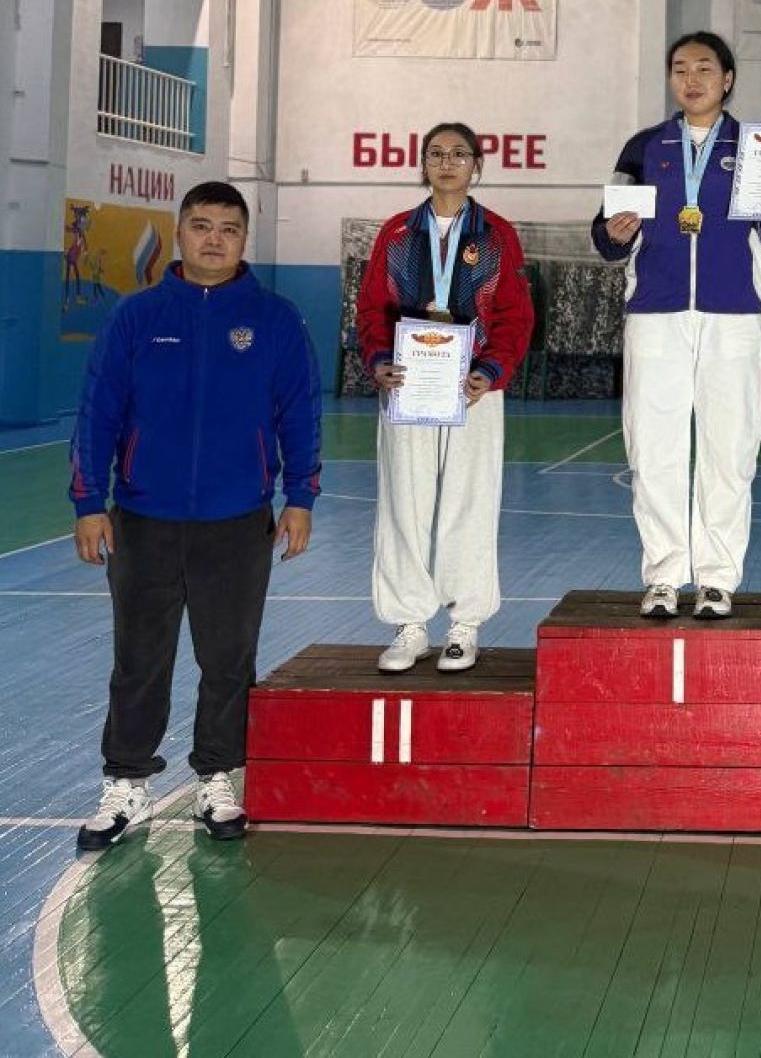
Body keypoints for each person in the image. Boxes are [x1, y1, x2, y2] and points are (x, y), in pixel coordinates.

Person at [69, 181, 322, 848]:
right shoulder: (135, 316)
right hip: (142, 518)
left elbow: (300, 412)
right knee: (138, 659)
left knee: (229, 658)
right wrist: (89, 502)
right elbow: (98, 412)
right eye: (202, 225)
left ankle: (218, 775)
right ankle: (127, 782)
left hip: (237, 520)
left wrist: (300, 496)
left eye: (229, 229)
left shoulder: (275, 319)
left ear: (244, 239)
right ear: (178, 233)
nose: (215, 239)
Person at [591, 31, 761, 620]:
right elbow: (609, 234)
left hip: (732, 315)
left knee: (729, 449)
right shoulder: (643, 148)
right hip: (656, 314)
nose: (690, 80)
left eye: (703, 68)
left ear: (727, 79)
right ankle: (664, 576)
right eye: (679, 69)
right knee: (654, 449)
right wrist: (611, 232)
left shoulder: (758, 149)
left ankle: (717, 578)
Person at [357, 122, 534, 674]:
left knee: (469, 502)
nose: (447, 162)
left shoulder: (498, 234)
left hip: (473, 389)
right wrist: (379, 361)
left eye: (459, 154)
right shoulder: (396, 233)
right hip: (407, 385)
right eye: (436, 153)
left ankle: (464, 625)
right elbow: (371, 310)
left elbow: (515, 315)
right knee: (403, 503)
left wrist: (491, 370)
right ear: (423, 164)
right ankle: (409, 624)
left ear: (477, 165)